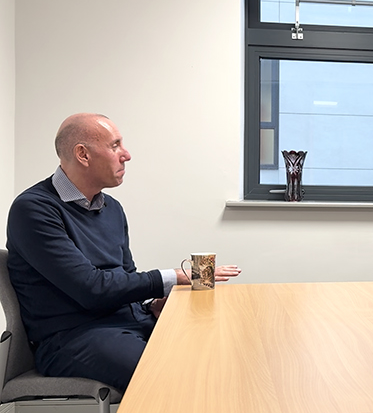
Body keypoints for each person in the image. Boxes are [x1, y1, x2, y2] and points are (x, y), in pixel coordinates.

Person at [5, 113, 242, 392]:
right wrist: (175, 276)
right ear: (83, 154)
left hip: (128, 322)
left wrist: (151, 306)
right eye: (115, 145)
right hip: (72, 337)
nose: (126, 155)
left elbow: (124, 277)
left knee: (221, 348)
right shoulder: (34, 209)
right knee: (174, 377)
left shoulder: (112, 208)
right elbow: (90, 288)